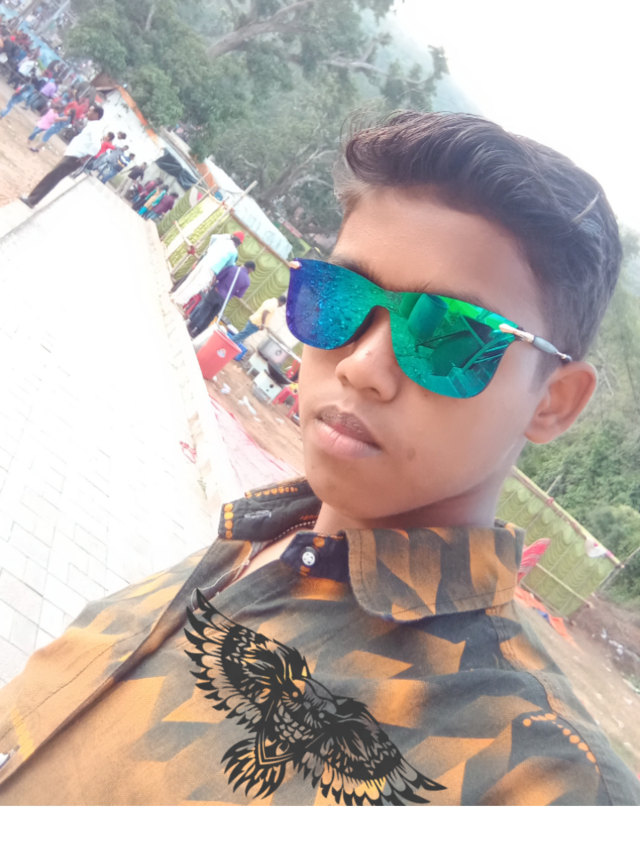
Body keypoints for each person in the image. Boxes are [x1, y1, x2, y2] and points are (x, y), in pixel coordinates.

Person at [4, 111, 640, 809]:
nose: (362, 365)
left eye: (449, 336)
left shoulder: (534, 775)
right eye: (338, 299)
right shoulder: (259, 539)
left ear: (553, 401)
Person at [20, 103, 104, 208]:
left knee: (52, 178)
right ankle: (32, 199)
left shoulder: (95, 127)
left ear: (96, 114)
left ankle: (32, 200)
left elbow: (97, 145)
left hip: (75, 158)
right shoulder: (92, 125)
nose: (88, 112)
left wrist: (85, 157)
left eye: (90, 111)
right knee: (52, 177)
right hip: (73, 155)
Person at [173, 230, 245, 307]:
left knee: (190, 280)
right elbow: (230, 266)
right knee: (197, 285)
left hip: (205, 260)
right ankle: (180, 301)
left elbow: (213, 237)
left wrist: (211, 249)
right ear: (238, 243)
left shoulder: (221, 240)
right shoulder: (234, 252)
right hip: (212, 268)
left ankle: (174, 296)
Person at [187, 260, 256, 338]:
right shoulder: (247, 281)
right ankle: (197, 333)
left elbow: (218, 277)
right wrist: (233, 291)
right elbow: (240, 295)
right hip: (224, 299)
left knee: (204, 311)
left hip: (216, 292)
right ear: (250, 269)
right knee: (211, 316)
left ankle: (191, 327)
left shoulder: (232, 268)